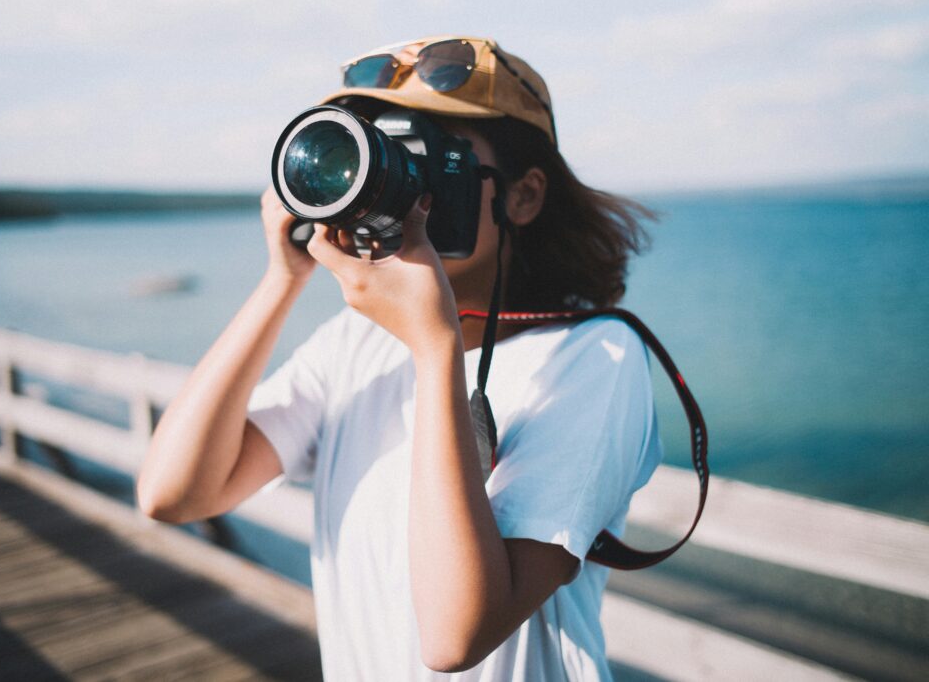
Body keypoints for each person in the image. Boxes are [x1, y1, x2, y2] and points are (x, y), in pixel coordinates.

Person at [137, 35, 663, 681]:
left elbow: (453, 638)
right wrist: (283, 278)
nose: (401, 190)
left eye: (430, 159)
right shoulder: (355, 343)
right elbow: (174, 494)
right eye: (382, 154)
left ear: (523, 196)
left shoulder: (594, 358)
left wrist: (436, 348)